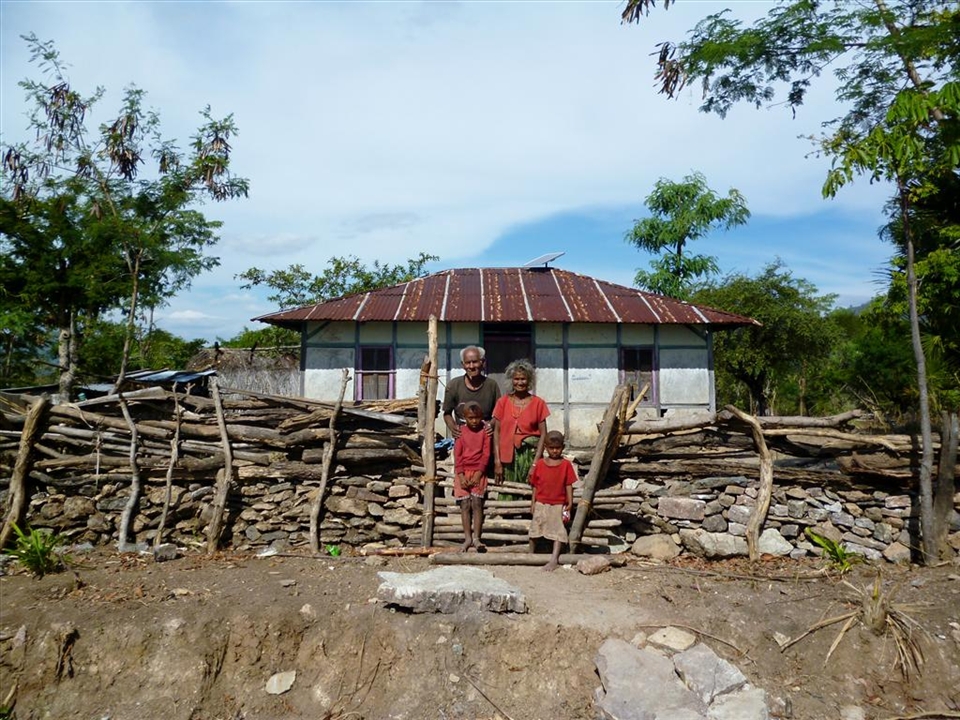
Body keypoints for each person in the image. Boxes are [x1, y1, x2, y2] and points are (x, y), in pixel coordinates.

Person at [492, 359, 549, 485]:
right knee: (507, 492)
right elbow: (497, 433)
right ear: (511, 380)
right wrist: (497, 461)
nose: (520, 383)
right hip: (507, 458)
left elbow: (544, 434)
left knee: (529, 491)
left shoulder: (538, 403)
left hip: (529, 457)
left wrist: (535, 463)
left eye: (523, 379)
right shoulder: (502, 402)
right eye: (516, 379)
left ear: (529, 380)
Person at [528, 430, 577, 571]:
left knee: (558, 531)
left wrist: (569, 501)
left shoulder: (566, 465)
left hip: (557, 503)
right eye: (551, 448)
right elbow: (535, 486)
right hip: (541, 502)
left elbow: (569, 484)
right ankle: (530, 554)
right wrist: (533, 503)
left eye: (558, 448)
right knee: (535, 529)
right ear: (545, 447)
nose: (555, 451)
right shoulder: (541, 464)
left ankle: (554, 559)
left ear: (562, 447)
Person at [453, 401, 492, 552]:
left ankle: (477, 538)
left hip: (478, 472)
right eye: (470, 418)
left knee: (476, 503)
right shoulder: (460, 432)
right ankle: (467, 537)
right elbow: (458, 454)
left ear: (481, 417)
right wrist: (461, 475)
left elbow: (486, 453)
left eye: (477, 418)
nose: (474, 421)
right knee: (464, 505)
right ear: (464, 417)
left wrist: (479, 473)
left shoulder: (485, 432)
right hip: (462, 472)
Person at [442, 345, 500, 439]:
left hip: (485, 437)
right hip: (463, 438)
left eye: (475, 362)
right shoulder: (453, 385)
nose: (471, 366)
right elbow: (447, 413)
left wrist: (491, 425)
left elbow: (498, 413)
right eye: (468, 363)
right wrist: (453, 428)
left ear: (483, 363)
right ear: (463, 364)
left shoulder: (491, 385)